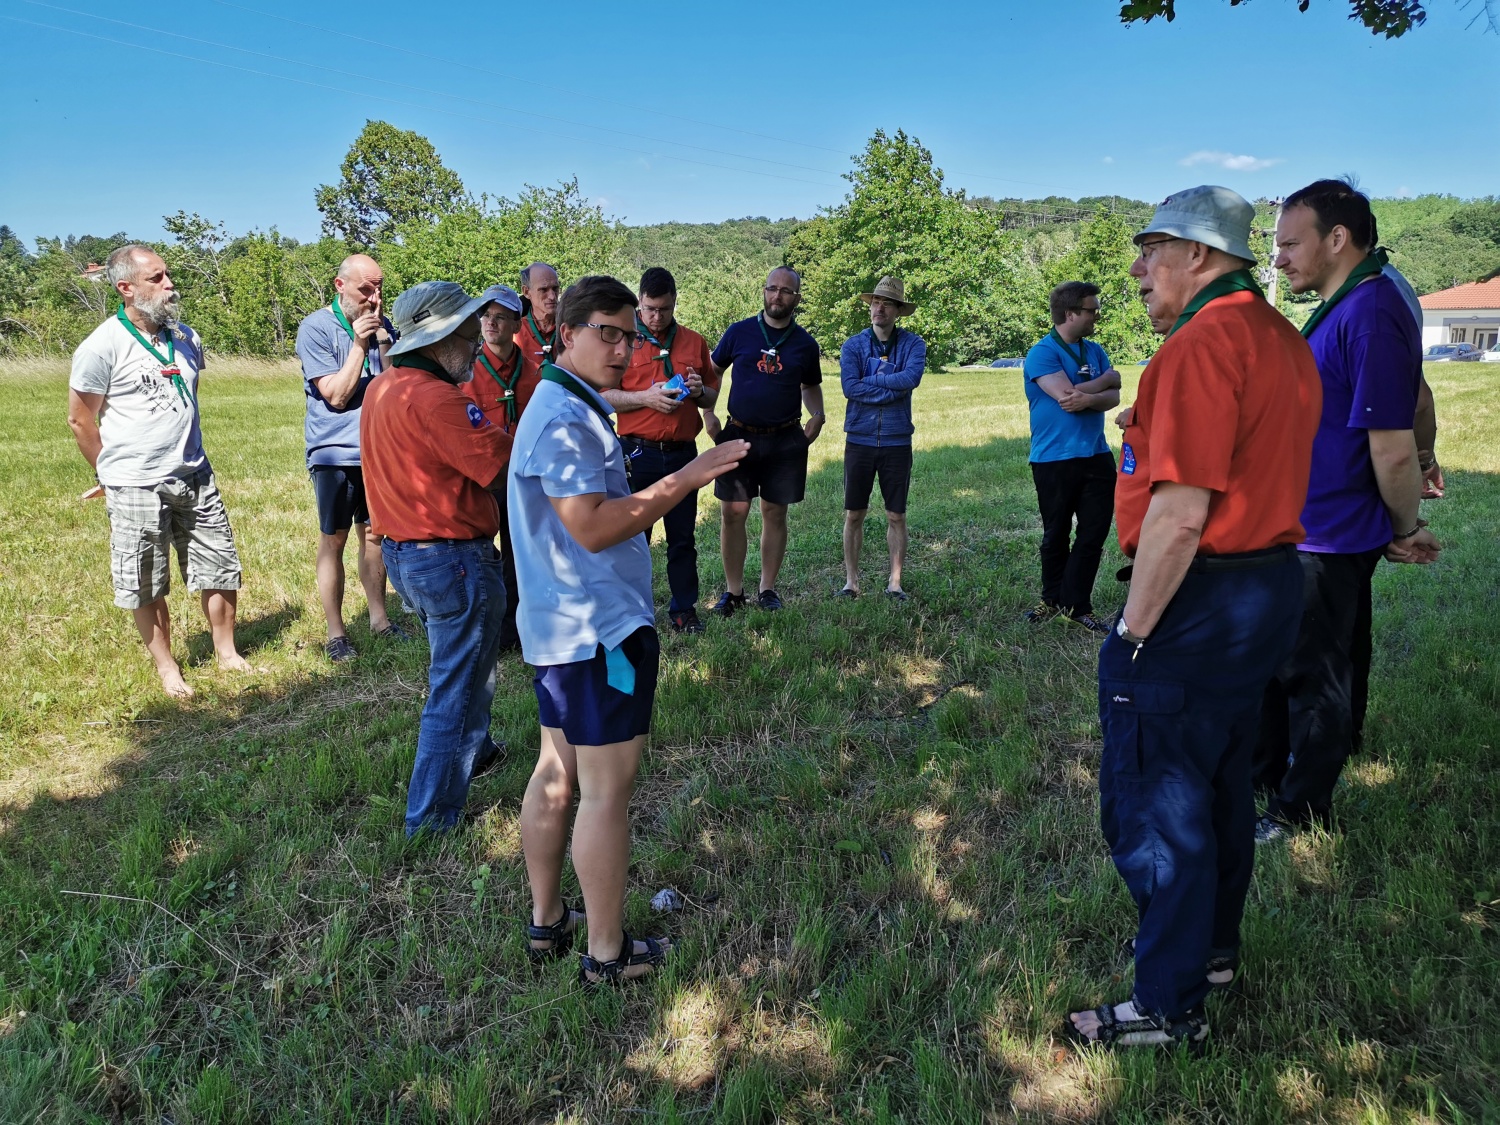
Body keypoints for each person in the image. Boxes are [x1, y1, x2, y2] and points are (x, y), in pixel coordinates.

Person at [1068, 186, 1321, 1049]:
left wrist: (1132, 633)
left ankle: (1168, 1004)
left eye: (1151, 250)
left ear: (1202, 257)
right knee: (1217, 785)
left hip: (1200, 596)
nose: (1137, 270)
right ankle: (1212, 950)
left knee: (1153, 801)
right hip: (1266, 589)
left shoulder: (1200, 345)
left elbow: (1179, 514)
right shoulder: (1284, 340)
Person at [510, 275, 747, 983]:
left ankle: (547, 922)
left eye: (629, 334)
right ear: (569, 334)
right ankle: (607, 954)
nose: (623, 348)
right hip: (596, 633)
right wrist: (691, 474)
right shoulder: (562, 417)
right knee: (604, 790)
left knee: (557, 771)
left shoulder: (563, 399)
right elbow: (593, 525)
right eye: (608, 333)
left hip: (565, 628)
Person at [1254, 179, 1440, 841]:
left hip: (1329, 535)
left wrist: (1405, 526)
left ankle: (1298, 809)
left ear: (1337, 239)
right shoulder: (1350, 303)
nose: (1277, 259)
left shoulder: (1369, 309)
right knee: (1287, 665)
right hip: (1304, 526)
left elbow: (1387, 443)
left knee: (1315, 677)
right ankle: (1270, 776)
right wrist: (1429, 453)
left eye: (1288, 243)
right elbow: (1416, 396)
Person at [66, 245, 251, 699]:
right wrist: (108, 474)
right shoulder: (101, 345)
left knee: (219, 565)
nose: (170, 285)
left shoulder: (186, 338)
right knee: (146, 578)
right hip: (135, 482)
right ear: (125, 288)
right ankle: (168, 668)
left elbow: (187, 397)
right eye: (157, 278)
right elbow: (80, 419)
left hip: (194, 473)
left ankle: (226, 653)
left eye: (168, 275)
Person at [360, 281, 510, 836]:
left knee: (467, 668)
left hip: (407, 556)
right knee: (453, 686)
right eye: (469, 334)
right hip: (452, 560)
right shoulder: (439, 399)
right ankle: (428, 821)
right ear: (438, 338)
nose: (476, 344)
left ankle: (475, 752)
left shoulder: (384, 388)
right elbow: (501, 469)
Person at [294, 253, 407, 662]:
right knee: (334, 539)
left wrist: (383, 342)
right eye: (365, 289)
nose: (374, 299)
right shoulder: (316, 328)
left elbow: (397, 387)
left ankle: (380, 619)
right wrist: (359, 343)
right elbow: (338, 396)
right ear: (340, 285)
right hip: (335, 454)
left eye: (379, 289)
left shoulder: (382, 326)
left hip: (378, 451)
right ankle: (336, 632)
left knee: (375, 536)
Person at [601, 267, 720, 634]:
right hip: (639, 454)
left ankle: (684, 610)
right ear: (639, 301)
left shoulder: (693, 342)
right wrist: (645, 398)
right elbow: (604, 396)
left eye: (664, 310)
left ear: (674, 303)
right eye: (650, 309)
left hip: (683, 453)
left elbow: (712, 397)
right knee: (636, 538)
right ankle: (632, 614)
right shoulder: (621, 340)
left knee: (683, 538)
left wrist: (699, 391)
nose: (656, 318)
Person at [703, 267, 825, 613]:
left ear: (796, 299)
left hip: (785, 438)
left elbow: (810, 386)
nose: (777, 296)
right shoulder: (739, 332)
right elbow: (714, 370)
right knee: (733, 512)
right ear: (763, 291)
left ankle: (767, 589)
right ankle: (734, 592)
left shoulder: (805, 344)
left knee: (774, 512)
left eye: (786, 291)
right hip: (738, 434)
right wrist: (708, 413)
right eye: (772, 289)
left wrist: (817, 416)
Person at [1020, 282, 1122, 633]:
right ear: (1070, 314)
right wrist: (1105, 381)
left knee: (1092, 534)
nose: (1097, 315)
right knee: (1056, 533)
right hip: (1053, 459)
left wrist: (1094, 392)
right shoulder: (1042, 353)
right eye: (1092, 310)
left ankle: (1077, 606)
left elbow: (1113, 400)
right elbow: (1066, 398)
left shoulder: (1094, 351)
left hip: (1096, 455)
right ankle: (1051, 600)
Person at [836, 276, 927, 600]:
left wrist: (871, 382)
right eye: (875, 301)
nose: (879, 307)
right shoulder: (853, 346)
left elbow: (911, 378)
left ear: (898, 310)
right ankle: (851, 582)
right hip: (859, 438)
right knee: (854, 514)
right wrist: (892, 388)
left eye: (887, 303)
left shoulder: (914, 345)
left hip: (897, 439)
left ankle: (895, 582)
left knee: (896, 514)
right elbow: (850, 388)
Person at [463, 283, 540, 651]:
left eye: (499, 317)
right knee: (479, 557)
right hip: (480, 481)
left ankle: (514, 630)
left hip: (521, 478)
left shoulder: (535, 373)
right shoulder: (466, 372)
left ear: (516, 324)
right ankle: (481, 629)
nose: (490, 324)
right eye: (485, 316)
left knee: (519, 555)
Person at [516, 262, 562, 379]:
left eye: (555, 288)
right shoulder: (515, 333)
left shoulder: (573, 328)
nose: (552, 296)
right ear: (526, 292)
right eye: (543, 290)